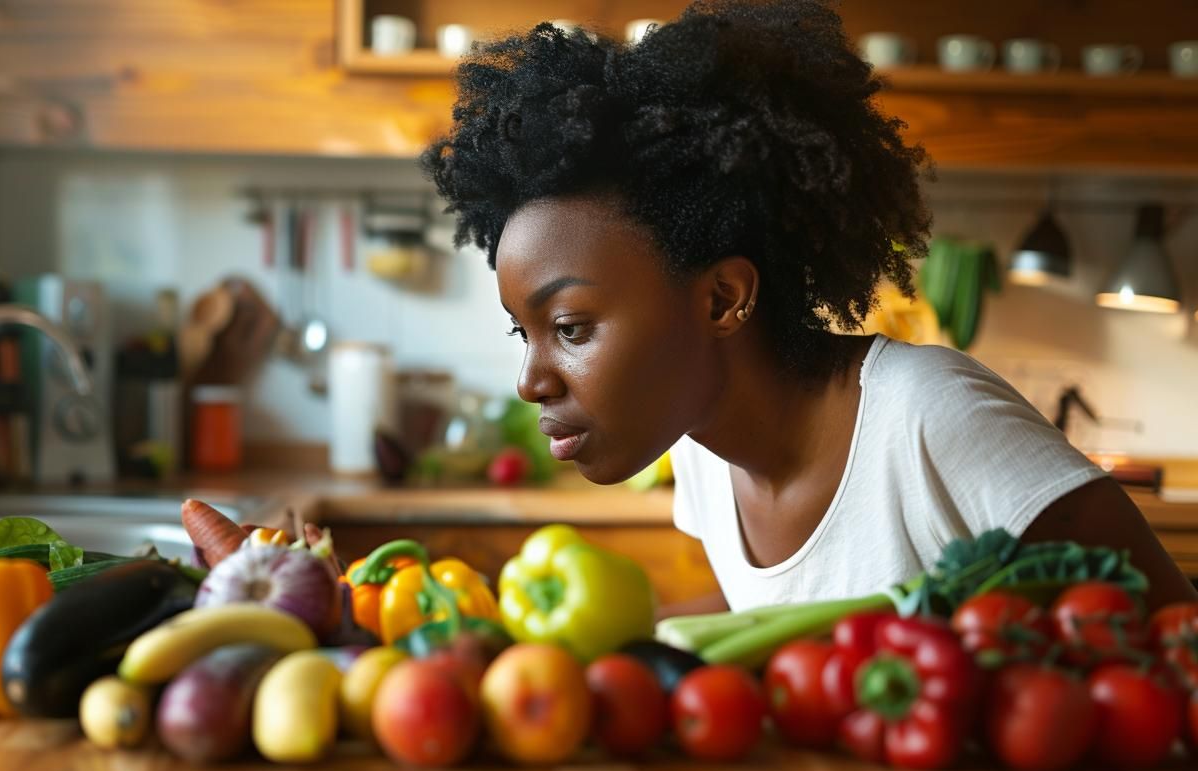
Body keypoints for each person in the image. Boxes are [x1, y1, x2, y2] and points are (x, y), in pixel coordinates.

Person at [420, 0, 1196, 613]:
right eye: (526, 334)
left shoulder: (930, 421)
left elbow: (1176, 640)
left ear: (724, 299)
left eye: (570, 329)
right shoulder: (697, 445)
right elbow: (778, 608)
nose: (532, 380)